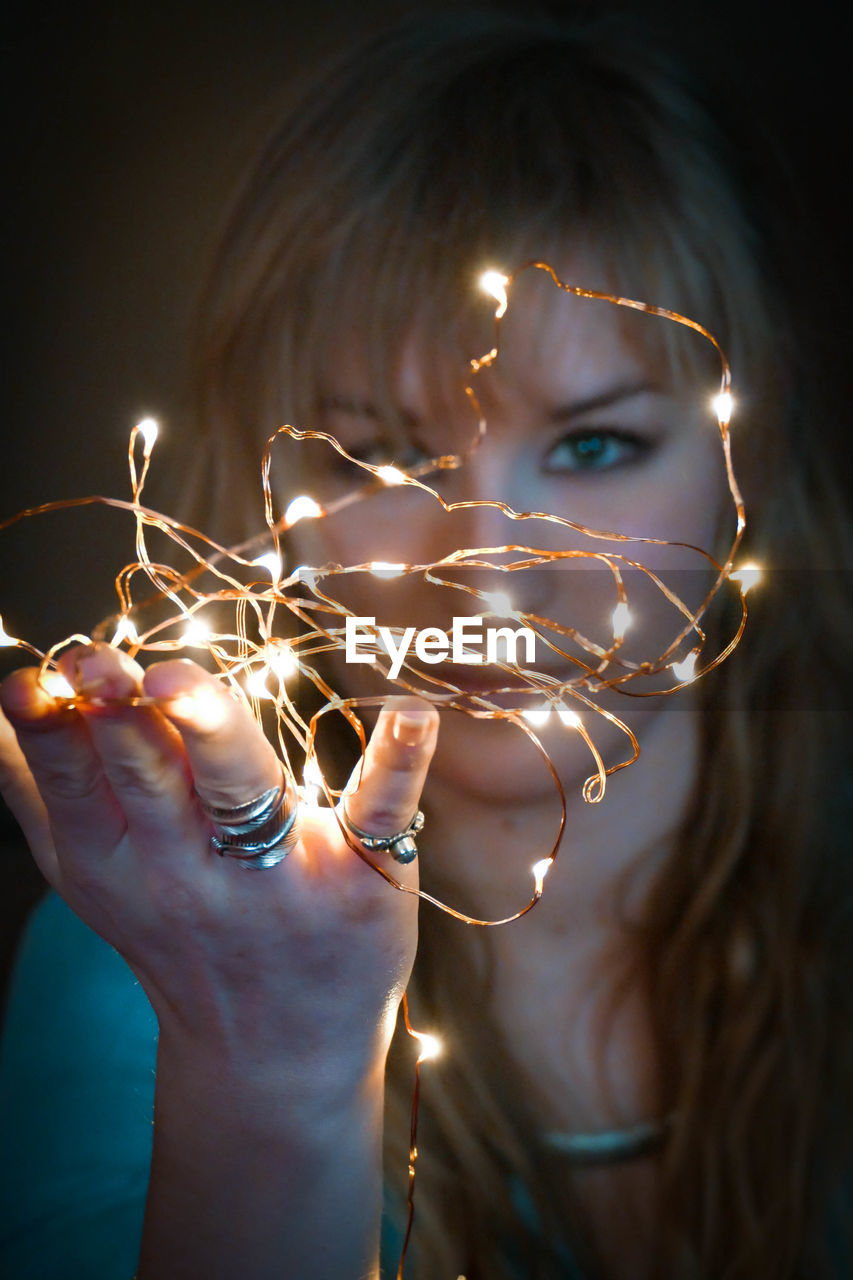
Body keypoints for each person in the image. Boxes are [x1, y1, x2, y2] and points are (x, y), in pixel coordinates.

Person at [1, 8, 851, 1279]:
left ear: (755, 450)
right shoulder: (161, 962)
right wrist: (270, 1080)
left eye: (594, 444)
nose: (495, 569)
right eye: (386, 456)